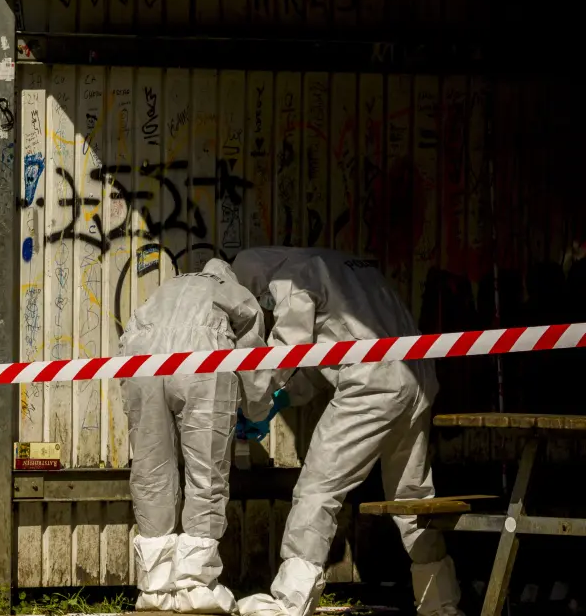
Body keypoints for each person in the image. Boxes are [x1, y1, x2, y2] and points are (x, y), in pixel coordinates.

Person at [230, 247, 463, 616]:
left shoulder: (295, 277)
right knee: (413, 496)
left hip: (373, 383)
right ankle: (440, 603)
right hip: (416, 377)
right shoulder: (342, 266)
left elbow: (285, 351)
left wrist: (253, 401)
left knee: (318, 488)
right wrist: (282, 400)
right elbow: (324, 354)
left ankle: (292, 600)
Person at [120, 258, 276, 613]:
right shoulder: (228, 288)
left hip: (141, 361)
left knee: (150, 470)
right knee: (206, 469)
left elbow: (127, 335)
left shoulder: (164, 289)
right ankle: (195, 584)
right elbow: (252, 348)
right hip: (202, 355)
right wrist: (258, 406)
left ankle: (155, 588)